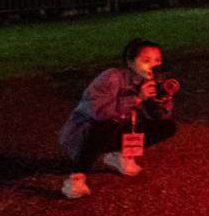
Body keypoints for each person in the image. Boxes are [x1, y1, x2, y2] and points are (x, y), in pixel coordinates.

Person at [55, 39, 180, 199]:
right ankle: (76, 177)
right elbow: (100, 113)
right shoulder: (111, 78)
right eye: (146, 60)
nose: (153, 65)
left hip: (115, 132)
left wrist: (162, 99)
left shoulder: (153, 82)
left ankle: (119, 155)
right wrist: (137, 98)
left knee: (167, 126)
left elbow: (159, 117)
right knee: (109, 122)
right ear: (130, 63)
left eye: (157, 60)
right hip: (84, 135)